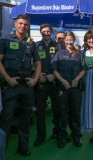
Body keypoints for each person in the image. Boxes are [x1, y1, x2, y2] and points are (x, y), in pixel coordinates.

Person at [0, 14, 41, 156]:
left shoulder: (31, 43)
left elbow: (38, 63)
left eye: (26, 24)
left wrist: (35, 79)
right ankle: (1, 151)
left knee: (25, 119)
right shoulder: (5, 40)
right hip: (10, 86)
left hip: (27, 86)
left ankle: (23, 147)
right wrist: (8, 79)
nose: (23, 26)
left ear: (28, 26)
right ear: (15, 24)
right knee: (6, 119)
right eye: (21, 23)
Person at [52, 31, 85, 148]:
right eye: (67, 39)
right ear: (64, 40)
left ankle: (76, 136)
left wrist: (76, 79)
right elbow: (55, 70)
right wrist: (63, 81)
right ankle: (62, 136)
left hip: (76, 87)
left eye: (71, 39)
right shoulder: (59, 53)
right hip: (63, 87)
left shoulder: (80, 54)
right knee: (63, 113)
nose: (69, 42)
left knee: (75, 113)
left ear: (74, 40)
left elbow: (83, 69)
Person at [34, 23, 61, 146]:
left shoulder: (57, 46)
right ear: (40, 32)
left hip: (54, 82)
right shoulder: (35, 46)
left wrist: (54, 75)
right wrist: (37, 74)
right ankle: (41, 136)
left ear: (51, 32)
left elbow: (62, 63)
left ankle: (57, 132)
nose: (46, 33)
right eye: (44, 31)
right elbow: (31, 63)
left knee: (57, 109)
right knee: (40, 112)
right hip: (40, 82)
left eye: (48, 31)